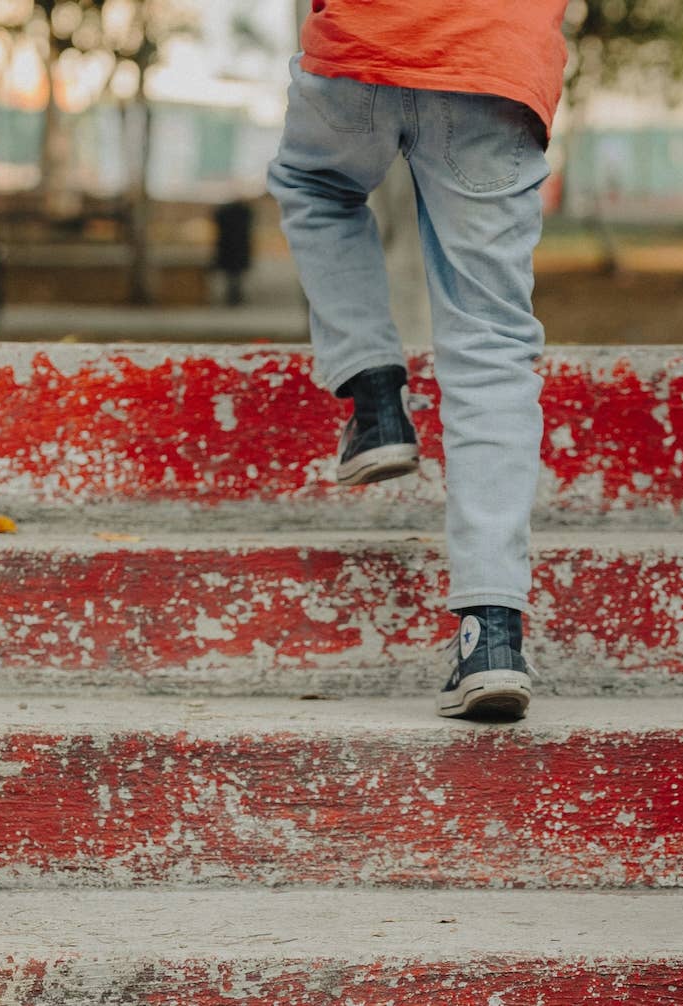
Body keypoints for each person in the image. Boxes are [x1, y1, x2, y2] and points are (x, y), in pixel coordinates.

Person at [266, 2, 569, 720]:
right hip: (495, 60)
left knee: (315, 186)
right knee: (491, 343)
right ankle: (490, 638)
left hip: (361, 48)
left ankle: (374, 399)